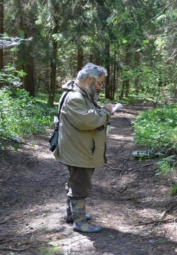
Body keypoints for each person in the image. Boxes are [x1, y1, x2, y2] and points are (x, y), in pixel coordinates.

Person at [53, 63, 114, 233]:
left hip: (79, 148)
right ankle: (79, 222)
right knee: (80, 185)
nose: (100, 87)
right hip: (79, 151)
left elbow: (88, 116)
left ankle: (73, 214)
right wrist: (106, 111)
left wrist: (102, 111)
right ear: (89, 80)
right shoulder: (75, 97)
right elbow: (88, 121)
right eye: (100, 83)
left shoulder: (81, 94)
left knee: (75, 181)